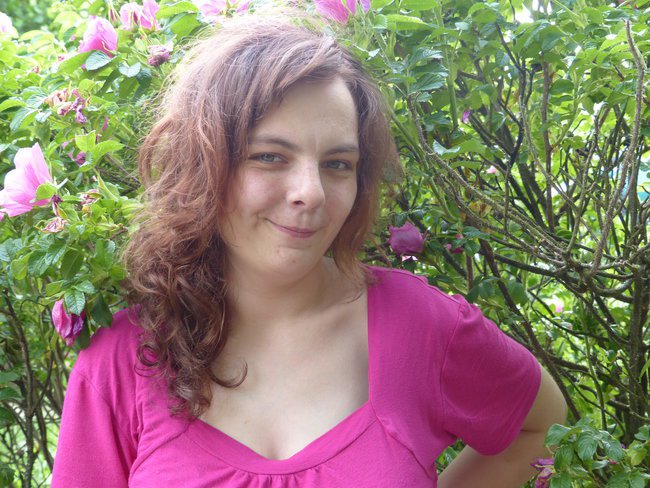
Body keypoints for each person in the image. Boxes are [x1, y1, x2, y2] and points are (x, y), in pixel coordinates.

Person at [52, 13, 567, 488]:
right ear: (204, 166)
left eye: (337, 164)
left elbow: (541, 426)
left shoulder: (421, 325)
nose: (312, 192)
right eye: (270, 156)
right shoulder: (122, 359)